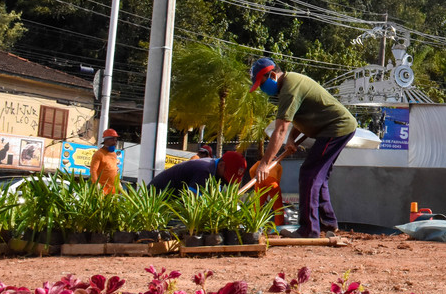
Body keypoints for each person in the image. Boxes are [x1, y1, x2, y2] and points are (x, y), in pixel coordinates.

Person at [249, 57, 357, 239]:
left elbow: (281, 129)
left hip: (335, 129)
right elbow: (299, 120)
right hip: (335, 128)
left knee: (309, 174)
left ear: (273, 75)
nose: (261, 88)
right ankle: (327, 223)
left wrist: (264, 163)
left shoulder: (289, 90)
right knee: (318, 177)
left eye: (262, 83)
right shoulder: (291, 83)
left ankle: (309, 229)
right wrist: (291, 140)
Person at [148, 151, 248, 194]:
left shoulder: (214, 169)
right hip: (157, 198)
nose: (226, 180)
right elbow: (193, 201)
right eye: (227, 176)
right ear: (221, 165)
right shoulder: (205, 170)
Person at [88, 128, 122, 195]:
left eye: (116, 140)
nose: (115, 143)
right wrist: (96, 183)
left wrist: (118, 183)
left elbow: (115, 170)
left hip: (113, 190)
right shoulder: (99, 154)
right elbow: (93, 170)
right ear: (106, 140)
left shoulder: (113, 154)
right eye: (113, 140)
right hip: (102, 190)